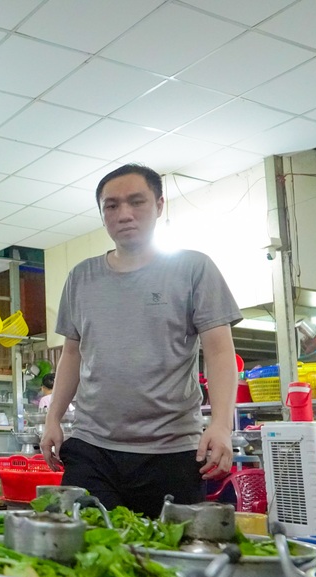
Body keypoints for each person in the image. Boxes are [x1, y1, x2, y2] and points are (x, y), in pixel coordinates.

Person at [40, 163, 241, 518]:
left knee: (164, 559)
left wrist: (222, 425)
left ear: (160, 205)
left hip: (172, 451)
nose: (125, 214)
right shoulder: (81, 276)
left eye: (137, 202)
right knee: (85, 553)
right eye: (112, 206)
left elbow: (221, 352)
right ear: (102, 215)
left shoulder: (194, 268)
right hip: (92, 447)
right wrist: (53, 418)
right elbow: (72, 354)